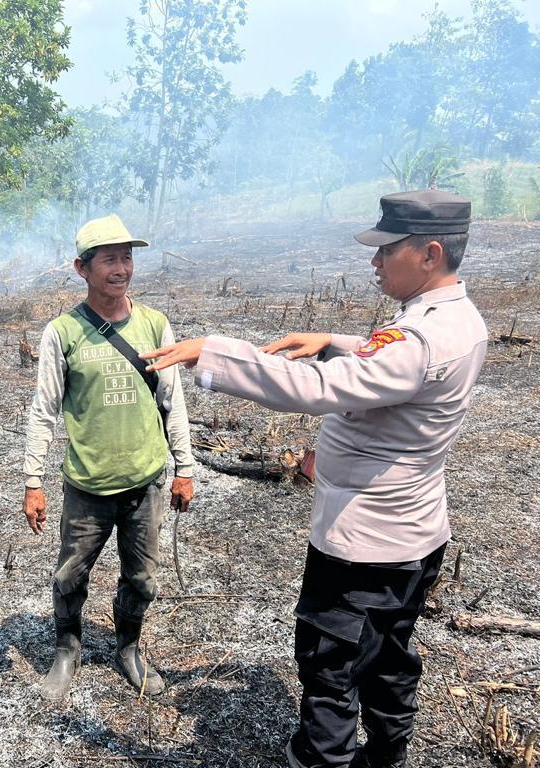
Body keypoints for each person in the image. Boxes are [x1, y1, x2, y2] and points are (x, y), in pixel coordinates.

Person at [141, 190, 488, 768]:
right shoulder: (455, 320)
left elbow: (318, 391)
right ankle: (386, 754)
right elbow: (391, 360)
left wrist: (215, 354)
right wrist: (331, 341)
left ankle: (323, 757)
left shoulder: (423, 337)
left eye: (386, 251)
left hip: (365, 544)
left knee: (330, 662)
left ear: (429, 254)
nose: (374, 262)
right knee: (389, 653)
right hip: (417, 531)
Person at [22, 213, 196, 700]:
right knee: (70, 575)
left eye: (127, 258)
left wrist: (184, 469)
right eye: (109, 260)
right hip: (88, 487)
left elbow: (172, 401)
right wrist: (32, 480)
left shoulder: (155, 325)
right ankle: (66, 650)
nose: (121, 269)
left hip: (145, 484)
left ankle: (128, 650)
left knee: (141, 578)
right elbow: (44, 410)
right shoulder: (64, 332)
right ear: (83, 268)